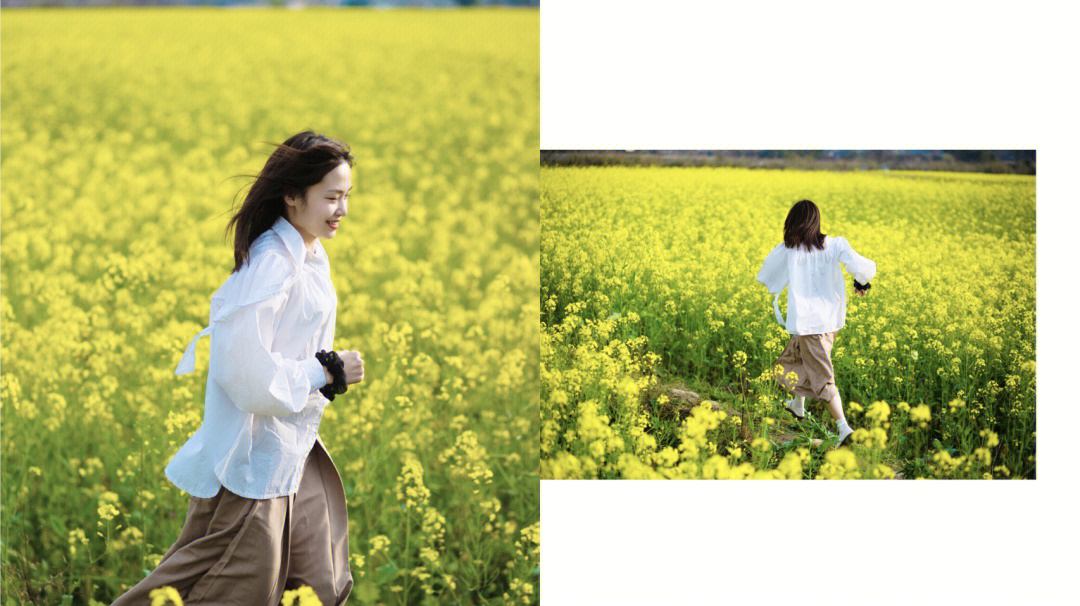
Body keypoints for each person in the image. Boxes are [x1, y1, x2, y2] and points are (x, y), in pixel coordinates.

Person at [112, 131, 365, 606]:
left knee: (319, 585)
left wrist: (322, 372)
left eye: (346, 196)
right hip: (257, 459)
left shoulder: (309, 254)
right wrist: (326, 372)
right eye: (332, 197)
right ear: (292, 195)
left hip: (296, 449)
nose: (342, 210)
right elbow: (246, 373)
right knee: (222, 591)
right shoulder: (272, 262)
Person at [755, 199, 876, 448]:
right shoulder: (834, 245)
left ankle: (843, 428)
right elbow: (859, 264)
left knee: (821, 376)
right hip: (827, 322)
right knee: (795, 359)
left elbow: (768, 277)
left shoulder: (790, 250)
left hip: (810, 325)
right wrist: (861, 281)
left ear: (792, 224)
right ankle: (798, 406)